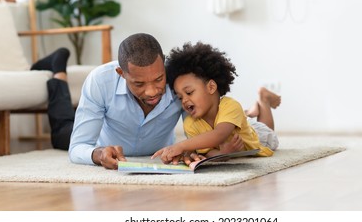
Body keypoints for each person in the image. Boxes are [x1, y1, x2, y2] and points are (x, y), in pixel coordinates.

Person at [30, 33, 202, 169]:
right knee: (61, 131)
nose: (151, 92)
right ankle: (58, 70)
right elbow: (77, 147)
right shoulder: (101, 80)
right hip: (101, 141)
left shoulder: (181, 81)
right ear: (121, 73)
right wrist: (98, 155)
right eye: (139, 83)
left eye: (158, 79)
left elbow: (201, 134)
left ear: (163, 64)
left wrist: (192, 148)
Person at [152, 42, 281, 164]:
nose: (184, 100)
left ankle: (263, 101)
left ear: (211, 87)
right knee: (242, 119)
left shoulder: (230, 105)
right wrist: (223, 153)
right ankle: (251, 111)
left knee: (270, 135)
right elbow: (208, 152)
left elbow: (219, 134)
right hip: (236, 122)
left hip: (255, 135)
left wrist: (181, 145)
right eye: (180, 97)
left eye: (189, 92)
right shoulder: (190, 124)